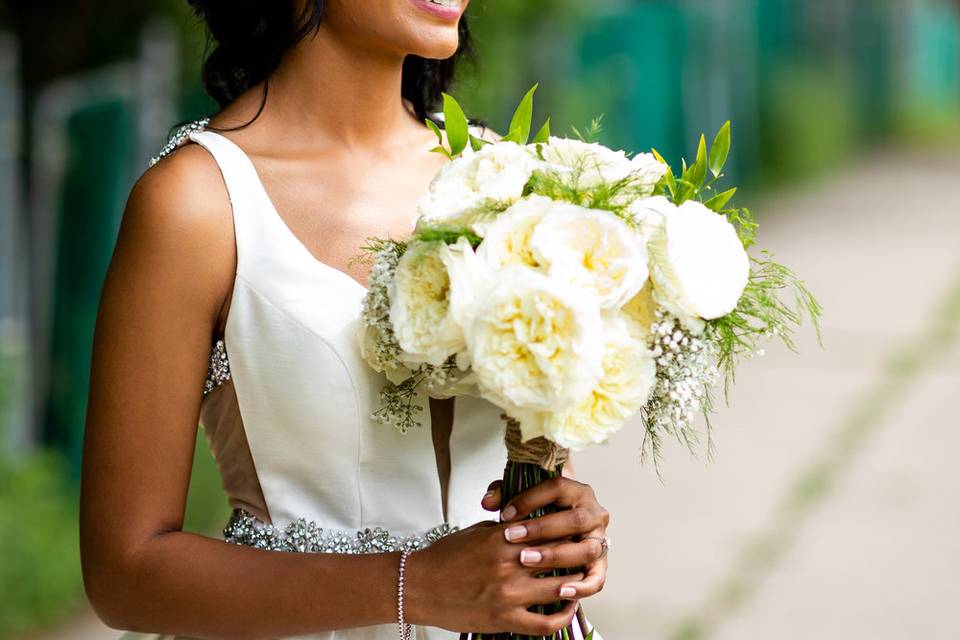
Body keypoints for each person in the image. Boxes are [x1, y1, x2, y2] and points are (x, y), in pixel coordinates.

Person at [80, 1, 610, 637]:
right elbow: (123, 570)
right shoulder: (196, 205)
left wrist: (564, 525)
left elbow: (540, 450)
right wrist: (415, 585)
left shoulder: (499, 180)